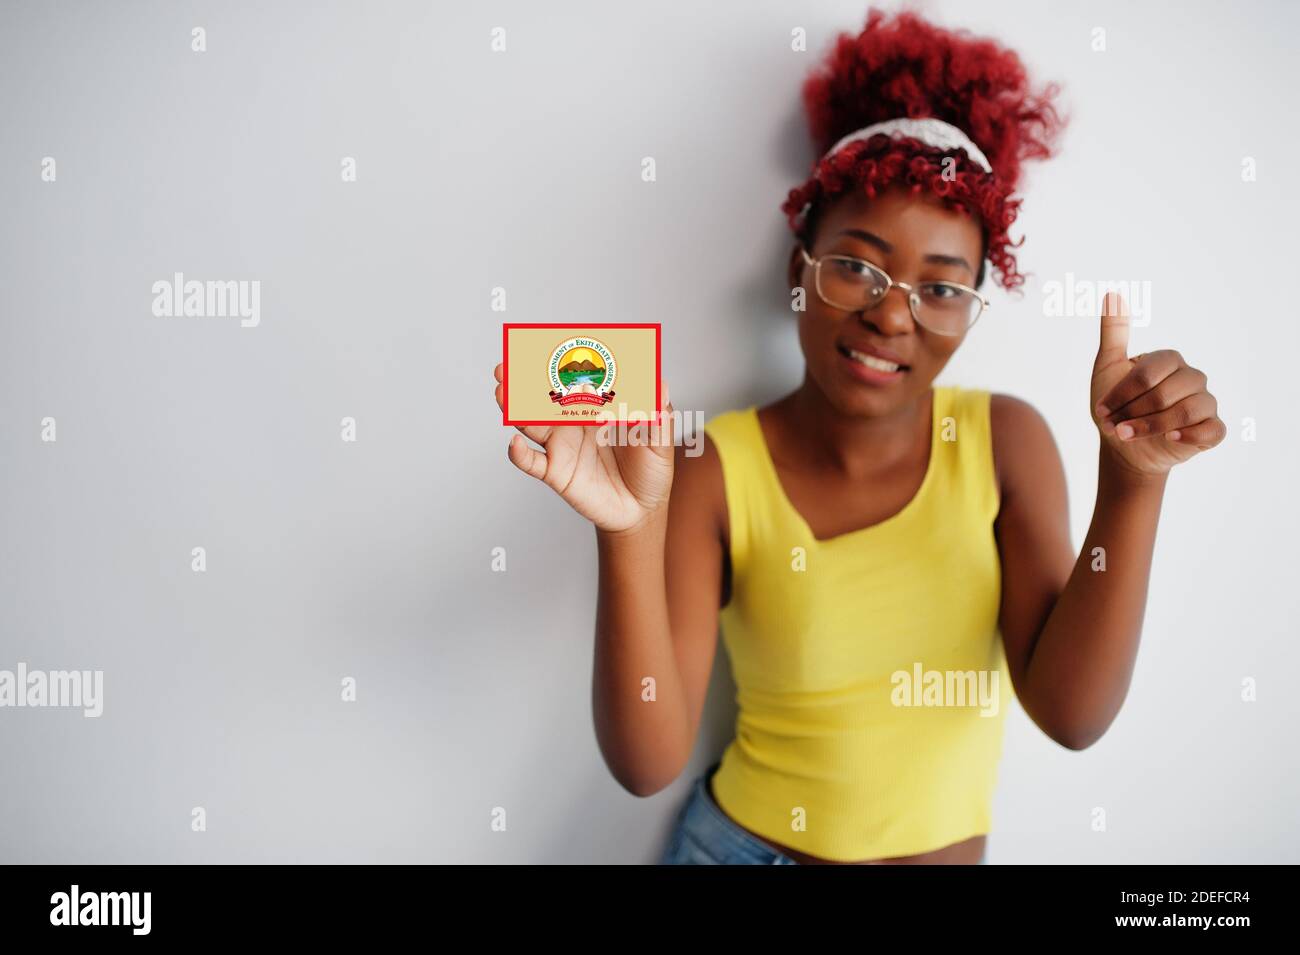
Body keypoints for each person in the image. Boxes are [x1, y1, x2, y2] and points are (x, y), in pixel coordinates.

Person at [492, 9, 1224, 864]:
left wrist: (1133, 483)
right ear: (797, 268)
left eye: (941, 287)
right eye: (856, 265)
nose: (890, 314)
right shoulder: (710, 465)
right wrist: (625, 534)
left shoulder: (1007, 444)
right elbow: (647, 762)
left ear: (973, 309)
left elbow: (1072, 714)